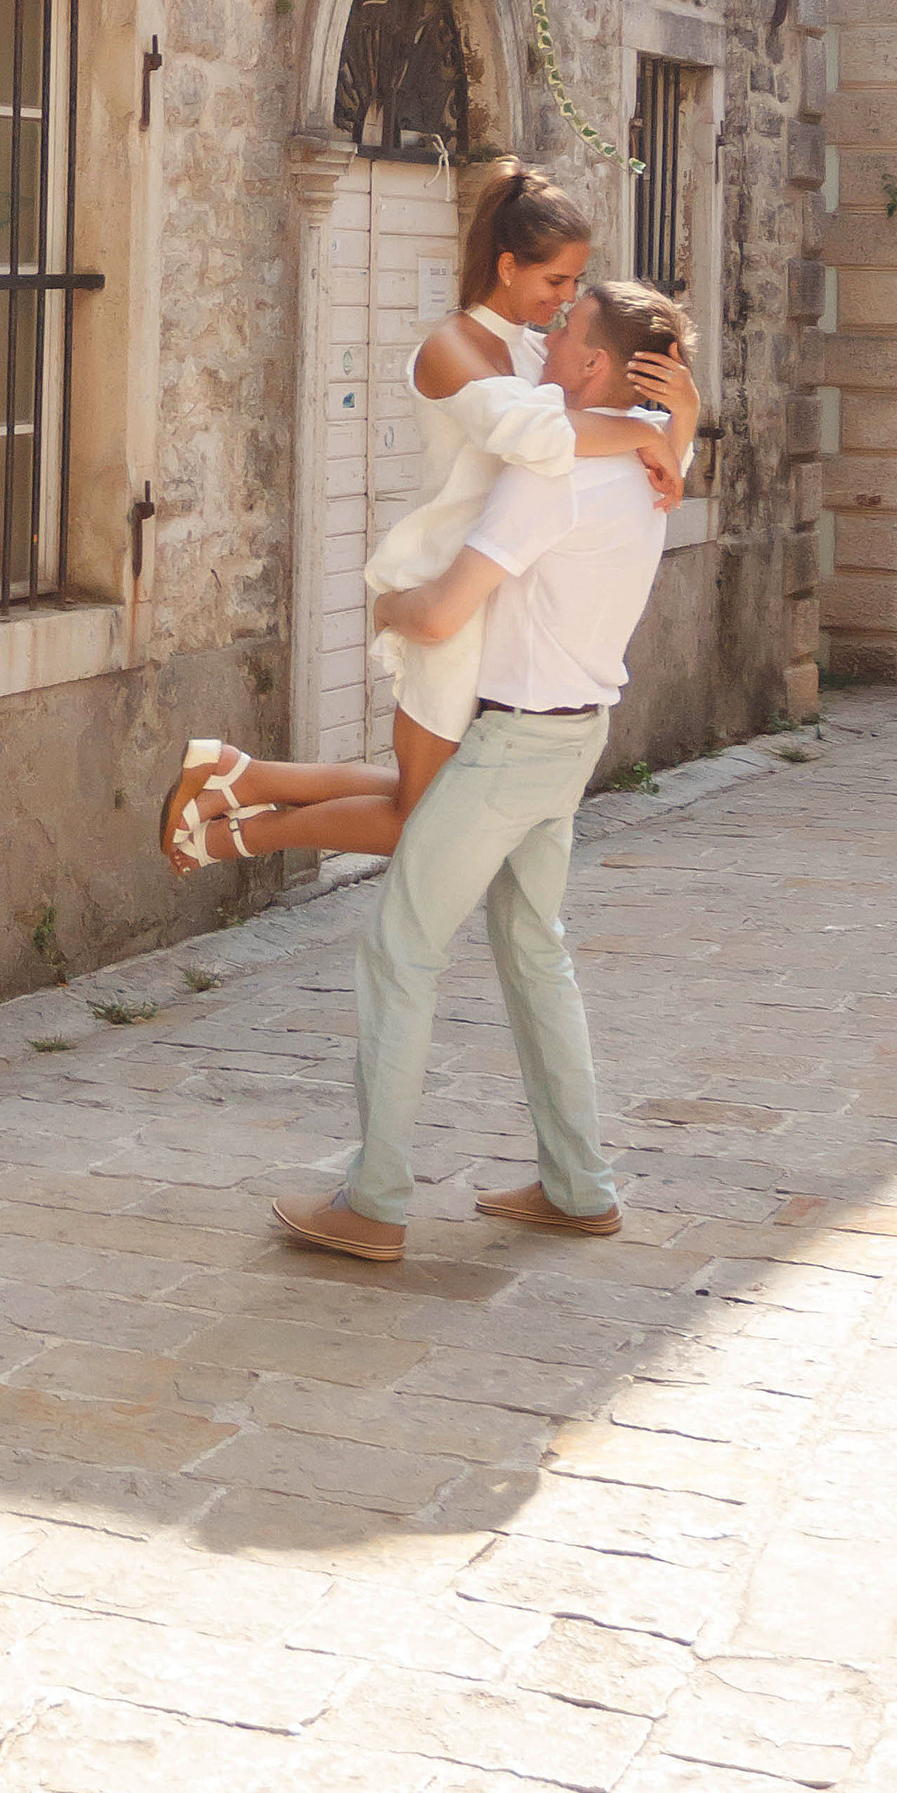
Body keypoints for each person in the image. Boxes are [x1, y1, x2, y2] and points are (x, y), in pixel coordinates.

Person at [257, 276, 698, 1263]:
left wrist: (380, 605)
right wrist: (681, 409)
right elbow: (675, 436)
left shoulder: (553, 472)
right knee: (531, 947)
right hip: (574, 738)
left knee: (399, 948)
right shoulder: (658, 459)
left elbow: (443, 613)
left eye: (563, 330)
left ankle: (371, 1205)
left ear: (593, 364)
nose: (541, 339)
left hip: (508, 746)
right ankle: (577, 1186)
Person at [158, 161, 695, 869]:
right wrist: (647, 432)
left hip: (495, 600)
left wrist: (678, 418)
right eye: (555, 282)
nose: (566, 303)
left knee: (430, 801)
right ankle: (235, 824)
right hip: (446, 592)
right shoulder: (451, 349)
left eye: (574, 285)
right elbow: (541, 438)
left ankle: (238, 777)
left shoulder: (540, 350)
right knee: (425, 817)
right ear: (508, 266)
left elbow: (630, 481)